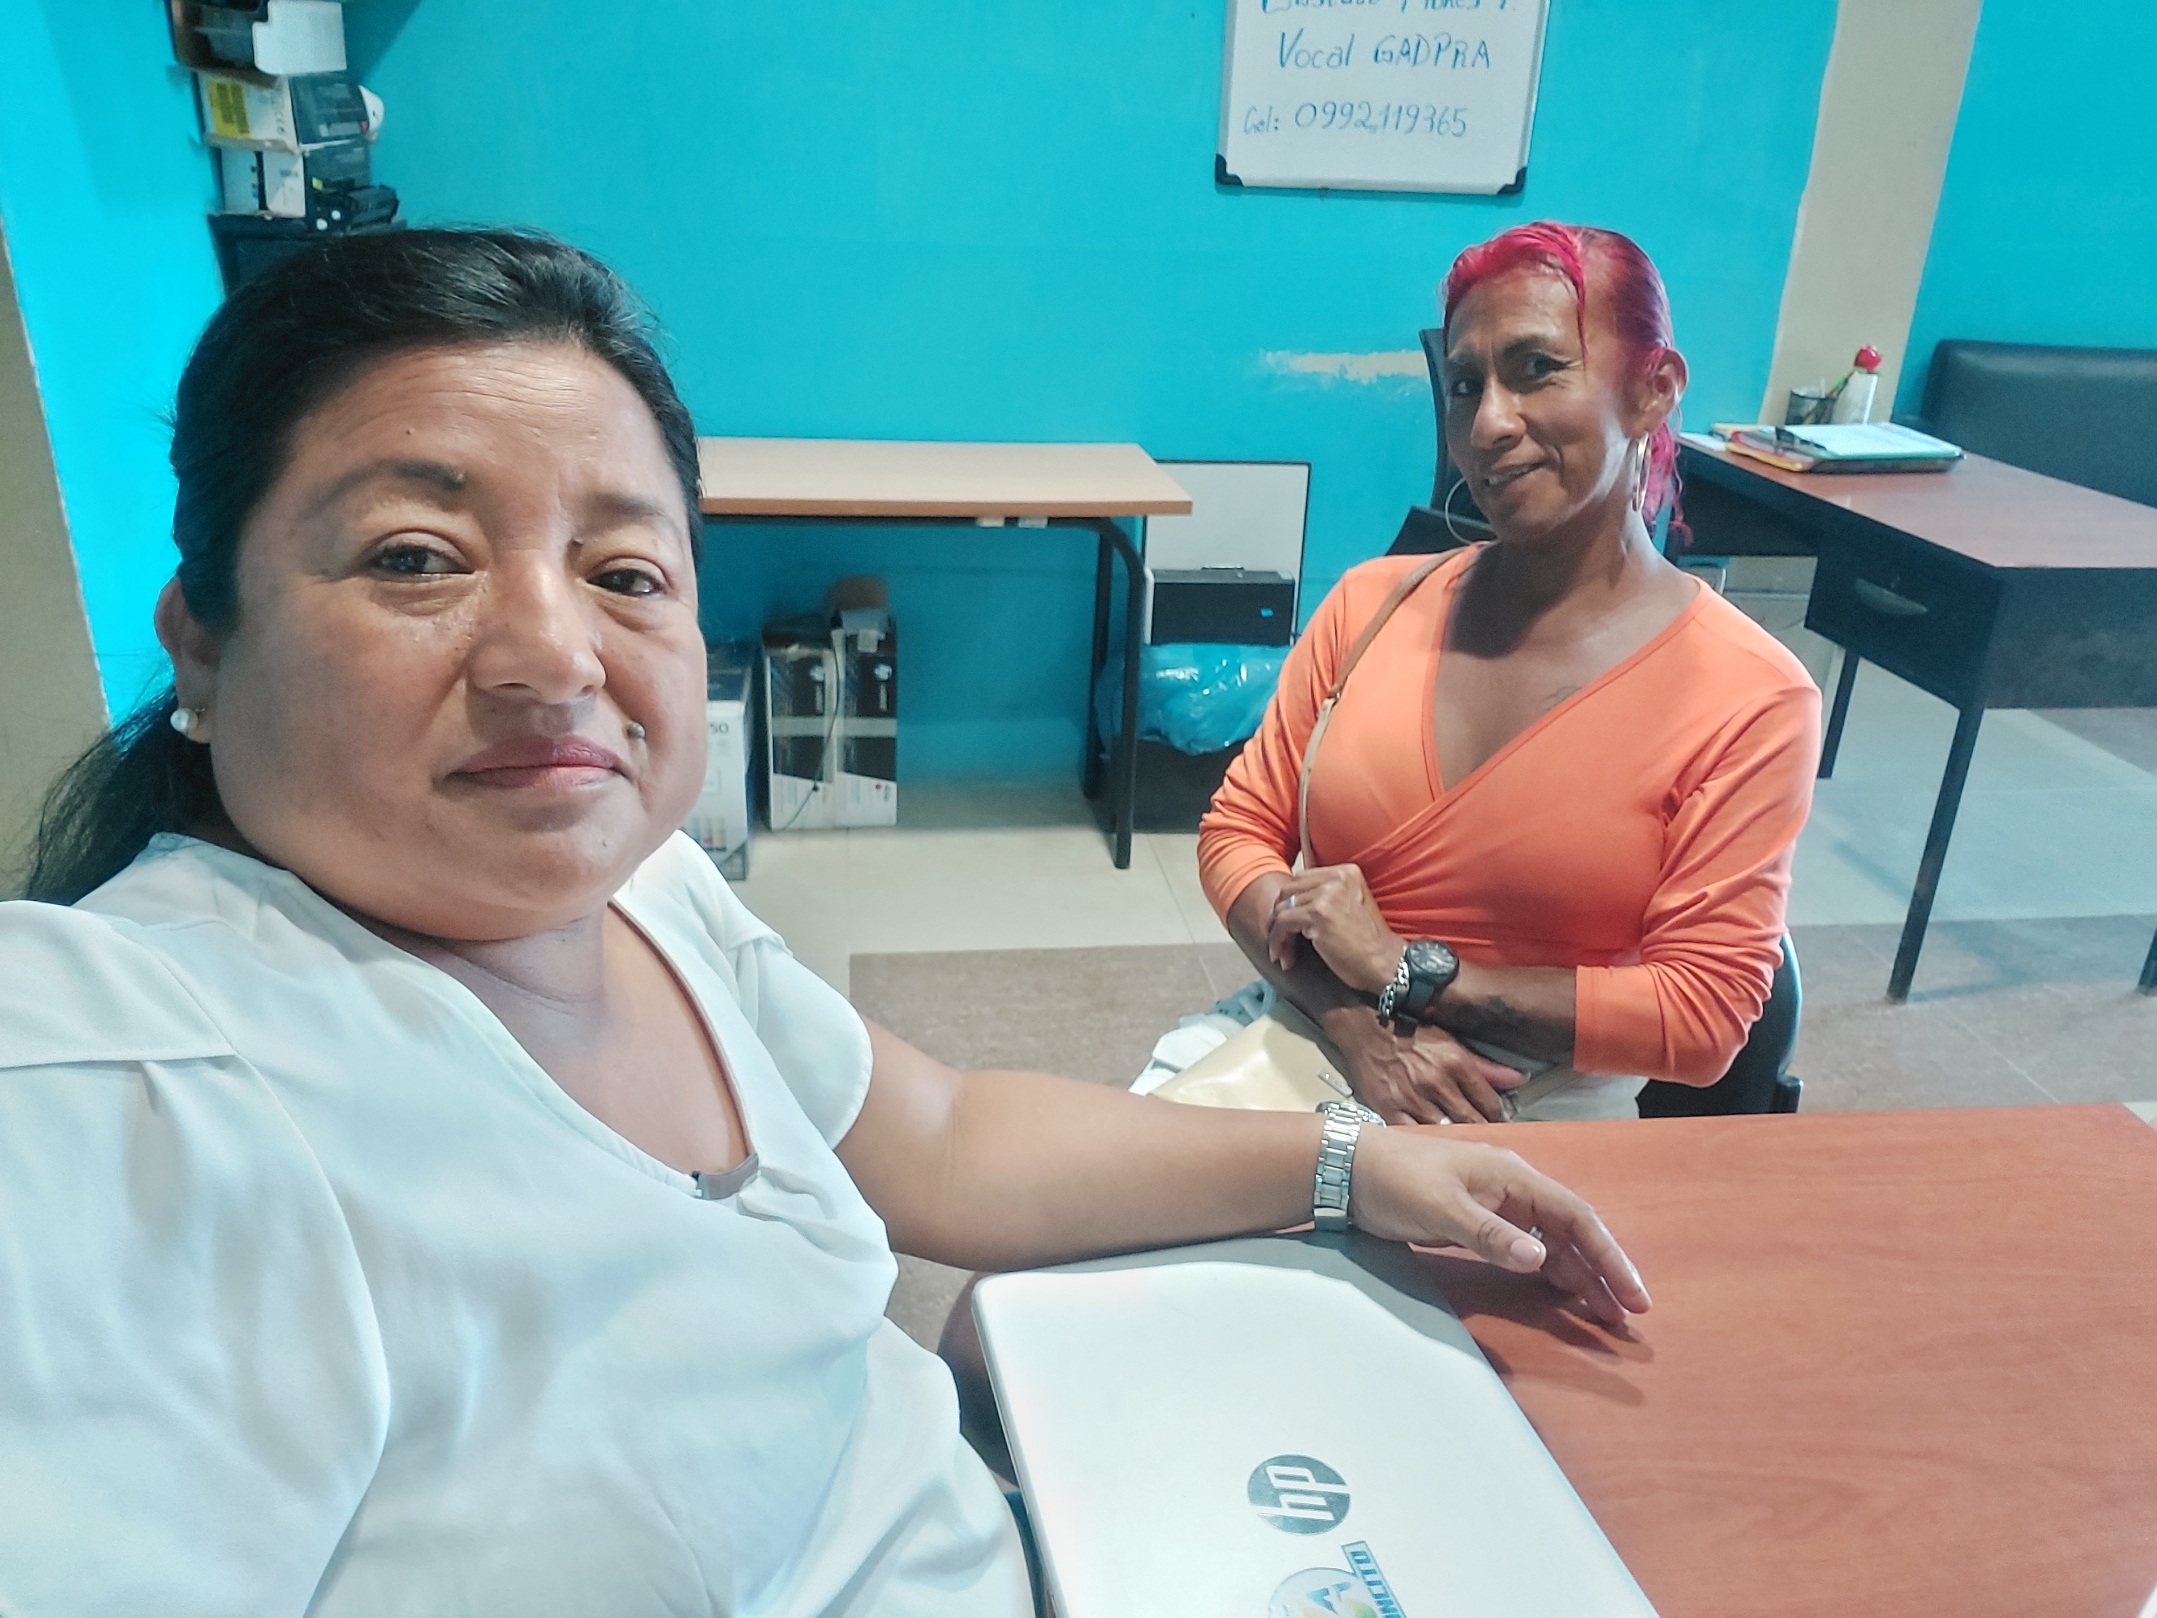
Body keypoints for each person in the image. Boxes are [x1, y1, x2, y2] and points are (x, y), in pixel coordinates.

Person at [0, 229, 1648, 1617]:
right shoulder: (107, 1074)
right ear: (201, 642)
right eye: (417, 556)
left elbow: (938, 1135)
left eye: (625, 572)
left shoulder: (641, 887)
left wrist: (1352, 1166)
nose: (553, 655)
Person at [1151, 222, 1821, 1127]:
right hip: (1307, 1027)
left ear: (1653, 389)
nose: (1488, 424)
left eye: (1536, 369)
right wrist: (1362, 1028)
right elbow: (1237, 833)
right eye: (1465, 386)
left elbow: (1701, 1020)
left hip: (1526, 1100)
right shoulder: (1370, 606)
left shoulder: (1747, 696)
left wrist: (1411, 973)